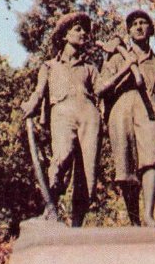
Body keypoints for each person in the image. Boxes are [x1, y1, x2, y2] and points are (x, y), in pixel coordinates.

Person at [97, 10, 155, 227]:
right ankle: (134, 220)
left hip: (150, 112)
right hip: (121, 111)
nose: (138, 27)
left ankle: (148, 215)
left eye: (143, 23)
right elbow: (101, 89)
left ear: (151, 29)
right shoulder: (116, 57)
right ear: (128, 30)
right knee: (124, 168)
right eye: (134, 24)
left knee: (152, 160)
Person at [21, 12, 101, 227]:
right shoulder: (49, 66)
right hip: (62, 112)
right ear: (65, 35)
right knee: (61, 157)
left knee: (87, 175)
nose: (83, 33)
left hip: (89, 115)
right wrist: (31, 105)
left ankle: (76, 226)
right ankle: (50, 208)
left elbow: (103, 90)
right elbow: (39, 92)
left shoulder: (90, 68)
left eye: (85, 29)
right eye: (78, 29)